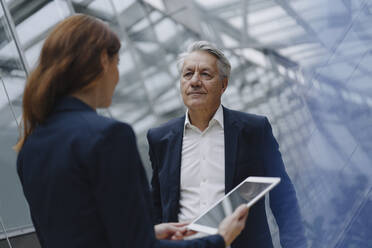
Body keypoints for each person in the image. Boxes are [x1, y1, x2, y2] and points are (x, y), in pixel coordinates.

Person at [15, 15, 249, 248]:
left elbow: (81, 230)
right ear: (104, 61)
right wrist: (220, 239)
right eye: (117, 63)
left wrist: (147, 231)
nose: (117, 77)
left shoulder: (30, 147)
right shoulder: (108, 136)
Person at [147, 41, 307, 248]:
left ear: (224, 85)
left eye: (205, 74)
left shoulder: (254, 130)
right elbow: (157, 205)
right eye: (187, 74)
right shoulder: (160, 138)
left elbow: (283, 196)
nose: (194, 81)